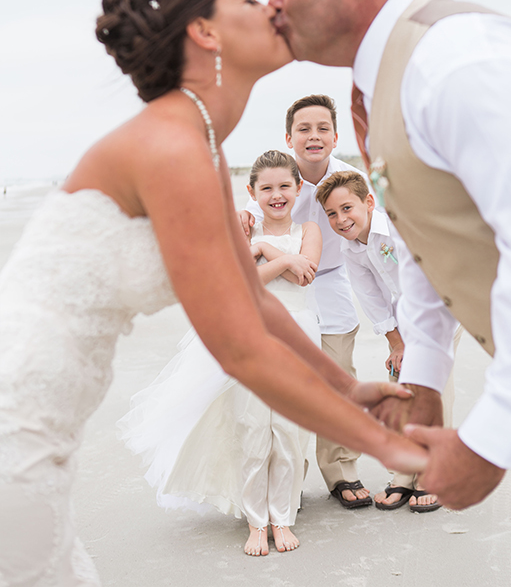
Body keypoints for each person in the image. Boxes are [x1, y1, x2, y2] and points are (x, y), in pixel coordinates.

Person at [0, 0, 426, 586]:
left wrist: (353, 390)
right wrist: (386, 444)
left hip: (45, 433)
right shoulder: (171, 147)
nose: (274, 7)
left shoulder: (200, 142)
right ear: (205, 33)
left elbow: (255, 307)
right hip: (17, 435)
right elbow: (242, 346)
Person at [268, 0, 511, 586]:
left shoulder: (454, 61)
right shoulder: (382, 79)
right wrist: (421, 383)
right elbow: (423, 241)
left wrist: (486, 441)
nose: (271, 1)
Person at [120, 150, 324, 556]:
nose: (277, 194)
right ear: (252, 192)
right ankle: (255, 521)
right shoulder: (243, 235)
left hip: (297, 337)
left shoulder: (310, 231)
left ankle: (282, 518)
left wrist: (267, 255)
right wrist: (273, 251)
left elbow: (305, 275)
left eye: (285, 186)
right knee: (251, 427)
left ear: (298, 188)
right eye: (266, 188)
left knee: (287, 429)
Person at [239, 94, 375, 510]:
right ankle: (288, 477)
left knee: (338, 380)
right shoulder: (278, 179)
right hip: (282, 296)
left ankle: (341, 470)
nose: (313, 136)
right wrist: (240, 219)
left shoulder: (350, 177)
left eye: (321, 129)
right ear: (289, 136)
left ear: (335, 137)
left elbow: (373, 232)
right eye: (303, 129)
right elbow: (249, 224)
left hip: (331, 284)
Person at [317, 169, 462, 513]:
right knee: (400, 389)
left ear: (369, 202)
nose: (341, 219)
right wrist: (397, 345)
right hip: (401, 325)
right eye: (332, 214)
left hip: (437, 312)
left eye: (347, 208)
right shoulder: (350, 249)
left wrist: (418, 341)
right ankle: (403, 475)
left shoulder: (397, 229)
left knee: (432, 391)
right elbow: (373, 301)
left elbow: (427, 281)